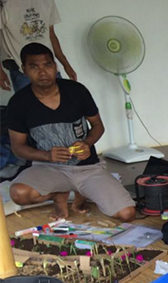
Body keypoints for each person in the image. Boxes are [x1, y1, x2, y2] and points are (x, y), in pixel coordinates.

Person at [7, 43, 134, 222]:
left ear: (55, 66)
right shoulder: (18, 103)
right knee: (18, 193)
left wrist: (87, 144)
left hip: (87, 168)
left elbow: (98, 126)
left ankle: (82, 193)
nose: (42, 72)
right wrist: (46, 155)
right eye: (34, 66)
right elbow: (18, 147)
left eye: (48, 65)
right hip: (48, 169)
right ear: (24, 70)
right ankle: (59, 195)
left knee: (127, 214)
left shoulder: (77, 91)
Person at [0, 0, 76, 92]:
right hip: (22, 69)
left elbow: (51, 34)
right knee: (30, 106)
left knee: (59, 103)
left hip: (48, 65)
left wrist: (66, 64)